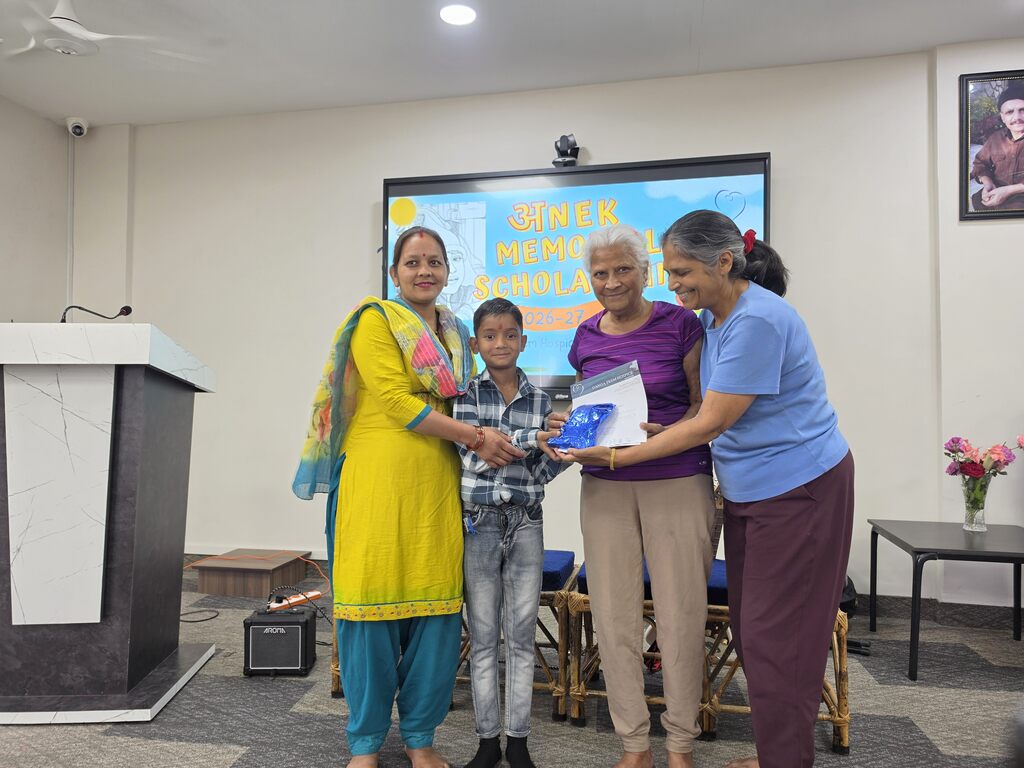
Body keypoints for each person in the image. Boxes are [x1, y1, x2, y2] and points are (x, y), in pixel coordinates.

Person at [566, 211, 854, 768]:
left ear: (723, 262)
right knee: (754, 631)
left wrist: (617, 455)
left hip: (798, 486)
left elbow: (709, 420)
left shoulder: (751, 320)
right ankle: (775, 756)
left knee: (777, 635)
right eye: (671, 272)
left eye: (680, 272)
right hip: (753, 490)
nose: (673, 283)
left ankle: (778, 760)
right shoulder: (717, 318)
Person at [292, 226, 525, 768]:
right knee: (368, 614)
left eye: (435, 262)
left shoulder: (458, 333)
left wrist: (534, 427)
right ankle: (366, 744)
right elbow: (397, 401)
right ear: (394, 272)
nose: (425, 271)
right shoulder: (375, 320)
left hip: (438, 485)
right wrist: (476, 437)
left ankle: (421, 738)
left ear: (447, 271)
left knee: (436, 615)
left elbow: (476, 400)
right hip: (376, 480)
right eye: (413, 262)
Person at [568, 224, 715, 768]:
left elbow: (704, 405)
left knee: (680, 617)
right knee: (614, 620)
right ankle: (634, 744)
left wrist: (670, 432)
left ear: (645, 272)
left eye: (622, 269)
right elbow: (591, 412)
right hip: (605, 487)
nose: (611, 282)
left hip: (677, 479)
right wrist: (569, 432)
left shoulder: (682, 324)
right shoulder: (584, 335)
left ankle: (680, 745)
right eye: (600, 273)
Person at [454, 297, 567, 768]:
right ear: (475, 344)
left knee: (521, 637)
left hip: (526, 524)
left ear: (524, 340)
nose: (500, 343)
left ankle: (517, 741)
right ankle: (487, 741)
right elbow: (476, 456)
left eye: (509, 334)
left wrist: (560, 450)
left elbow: (539, 471)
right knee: (483, 637)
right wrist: (530, 440)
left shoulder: (541, 400)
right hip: (479, 523)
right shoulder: (464, 395)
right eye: (489, 335)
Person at [971, 82, 1024, 211]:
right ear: (1002, 117)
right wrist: (987, 183)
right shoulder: (995, 138)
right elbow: (980, 164)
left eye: (1023, 110)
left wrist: (1008, 191)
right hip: (993, 196)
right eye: (1009, 112)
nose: (1017, 117)